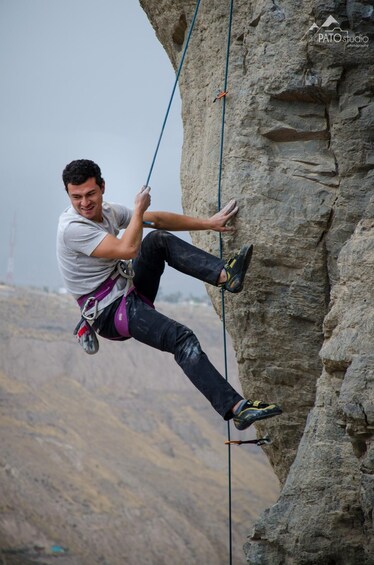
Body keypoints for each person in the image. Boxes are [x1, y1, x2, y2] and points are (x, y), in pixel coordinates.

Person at [57, 159, 282, 431]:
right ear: (69, 195)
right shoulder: (73, 229)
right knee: (182, 339)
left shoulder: (108, 212)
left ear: (102, 187)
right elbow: (127, 250)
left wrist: (208, 223)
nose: (84, 203)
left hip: (127, 292)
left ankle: (226, 275)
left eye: (90, 193)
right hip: (109, 314)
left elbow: (158, 220)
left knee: (157, 240)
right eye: (76, 197)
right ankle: (236, 408)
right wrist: (139, 210)